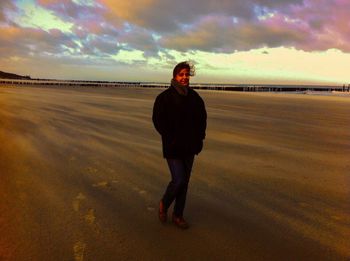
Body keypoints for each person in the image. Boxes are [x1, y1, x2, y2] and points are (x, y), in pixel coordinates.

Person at [152, 61, 207, 229]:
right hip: (173, 146)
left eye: (186, 75)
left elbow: (202, 120)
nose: (184, 78)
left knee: (185, 182)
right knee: (179, 179)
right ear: (175, 76)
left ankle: (178, 215)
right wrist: (170, 138)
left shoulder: (195, 98)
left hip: (190, 146)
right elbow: (158, 120)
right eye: (181, 74)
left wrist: (200, 139)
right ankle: (164, 203)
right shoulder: (164, 98)